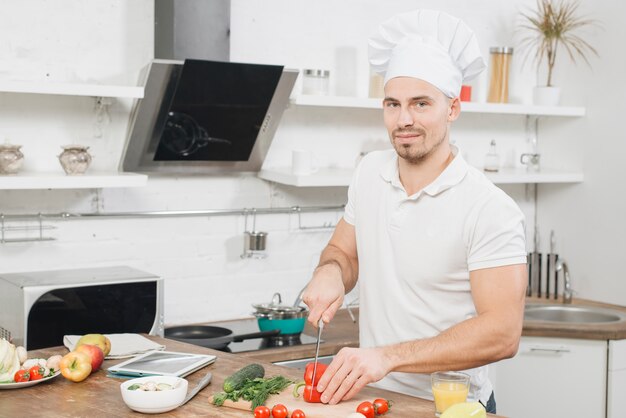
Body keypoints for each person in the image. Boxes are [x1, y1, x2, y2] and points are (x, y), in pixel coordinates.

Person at [301, 9, 528, 414]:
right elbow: (344, 251)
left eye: (421, 104)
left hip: (449, 406)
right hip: (372, 399)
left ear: (453, 109)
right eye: (393, 104)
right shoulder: (369, 172)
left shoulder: (490, 207)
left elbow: (502, 333)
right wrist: (330, 272)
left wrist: (386, 356)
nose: (404, 120)